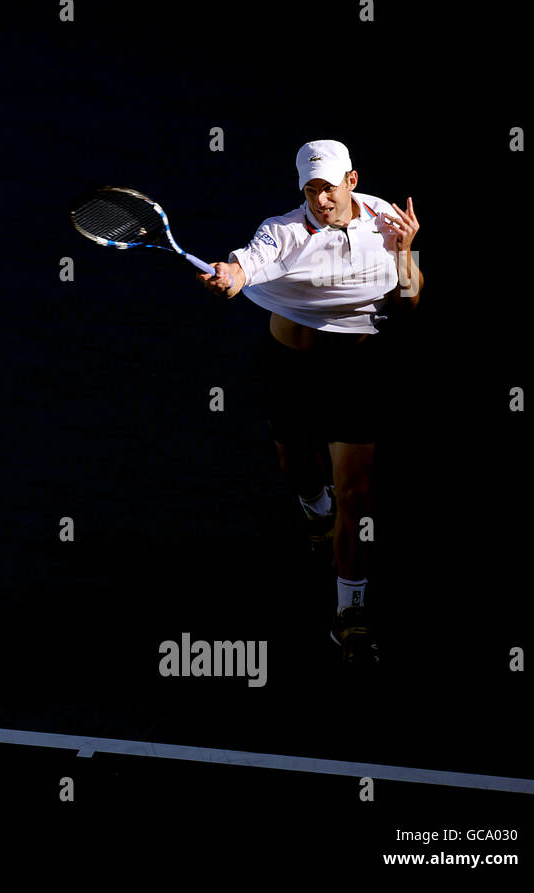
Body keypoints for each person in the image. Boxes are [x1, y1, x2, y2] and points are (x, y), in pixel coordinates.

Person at [198, 139, 421, 664]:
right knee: (297, 466)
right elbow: (246, 265)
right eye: (310, 189)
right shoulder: (282, 232)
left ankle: (350, 613)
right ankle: (315, 508)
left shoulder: (387, 221)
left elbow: (409, 301)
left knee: (356, 492)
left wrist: (404, 252)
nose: (320, 199)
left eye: (329, 187)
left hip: (356, 371)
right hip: (290, 368)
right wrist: (229, 277)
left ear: (352, 181)